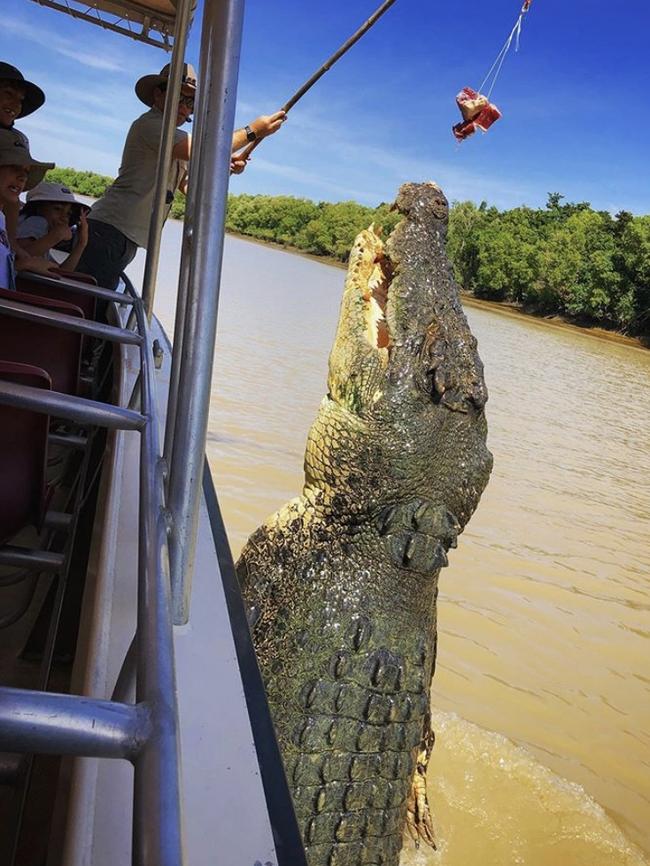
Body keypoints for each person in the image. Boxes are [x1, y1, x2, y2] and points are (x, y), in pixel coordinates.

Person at [77, 62, 286, 290]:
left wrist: (224, 168)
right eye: (179, 96)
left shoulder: (177, 140)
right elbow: (206, 149)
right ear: (159, 94)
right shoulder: (150, 125)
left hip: (125, 237)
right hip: (108, 230)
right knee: (86, 297)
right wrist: (252, 132)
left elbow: (189, 186)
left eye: (191, 102)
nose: (185, 107)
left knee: (95, 296)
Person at [0, 61, 58, 278]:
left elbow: (12, 202)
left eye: (20, 100)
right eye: (8, 94)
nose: (15, 105)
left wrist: (14, 248)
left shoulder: (18, 139)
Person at [0, 129, 54, 290]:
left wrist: (22, 264)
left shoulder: (2, 219)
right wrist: (24, 264)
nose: (22, 177)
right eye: (14, 167)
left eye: (26, 171)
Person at [17, 181, 89, 273]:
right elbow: (18, 256)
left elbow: (60, 272)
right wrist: (56, 235)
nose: (64, 218)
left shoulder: (43, 237)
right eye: (57, 209)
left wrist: (81, 243)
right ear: (38, 208)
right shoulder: (37, 221)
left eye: (68, 214)